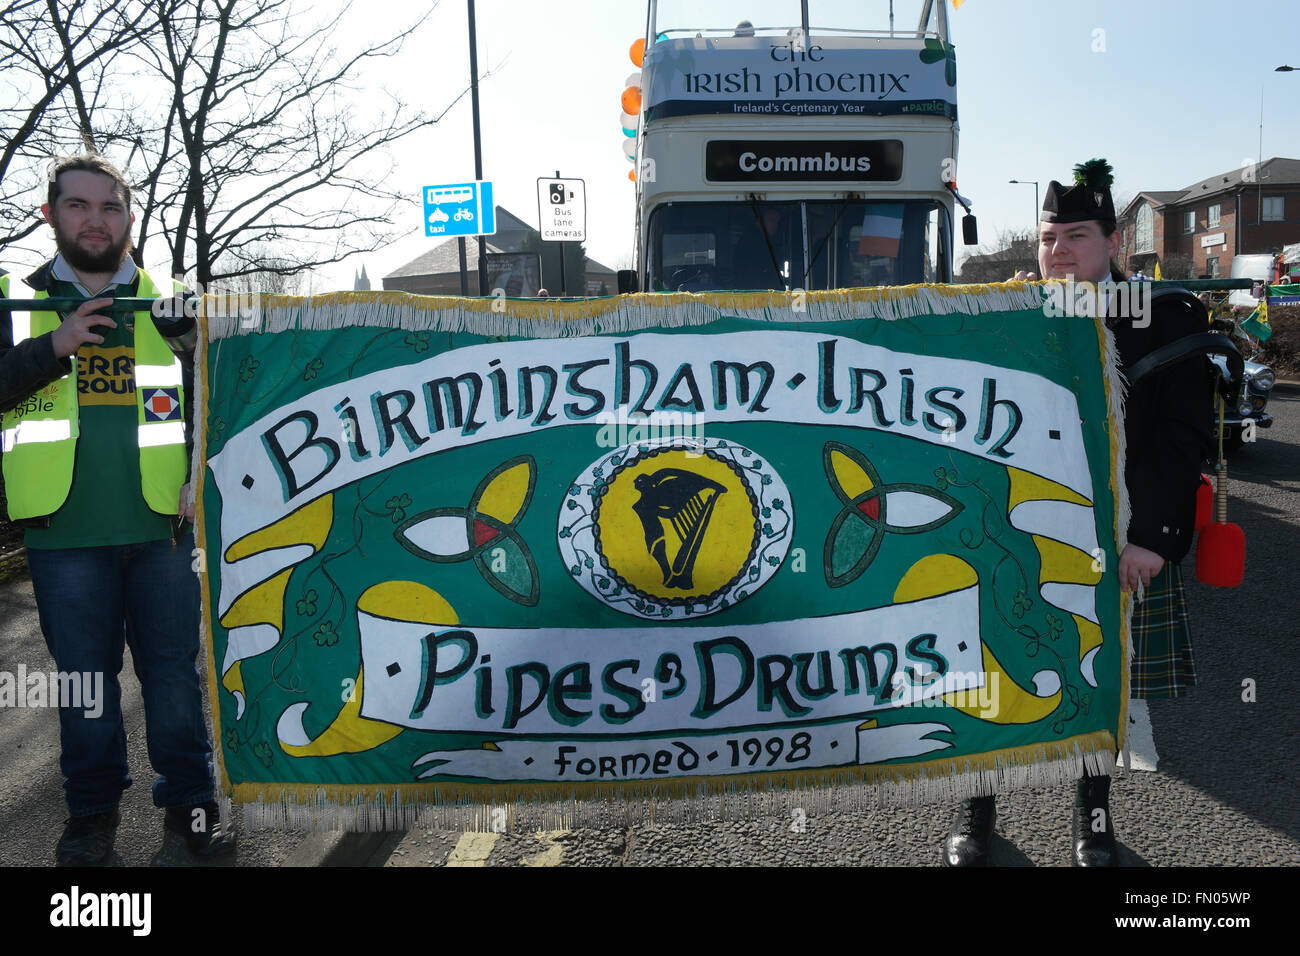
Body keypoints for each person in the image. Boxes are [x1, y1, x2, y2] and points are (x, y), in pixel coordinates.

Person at [944, 159, 1211, 867]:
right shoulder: (1007, 313)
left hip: (1114, 537)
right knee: (993, 662)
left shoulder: (1164, 317)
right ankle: (976, 813)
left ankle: (1092, 821)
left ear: (1114, 243)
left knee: (1101, 678)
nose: (1058, 250)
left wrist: (1153, 537)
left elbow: (1178, 441)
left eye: (1077, 236)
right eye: (1049, 236)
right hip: (1014, 529)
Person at [0, 154, 234, 865]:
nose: (95, 220)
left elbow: (219, 399)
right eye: (78, 206)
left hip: (163, 531)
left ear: (130, 217)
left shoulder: (171, 302)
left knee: (174, 678)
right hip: (64, 537)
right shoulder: (13, 298)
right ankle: (92, 816)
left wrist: (202, 458)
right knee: (85, 685)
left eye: (111, 206)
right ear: (51, 214)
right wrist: (53, 346)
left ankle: (192, 813)